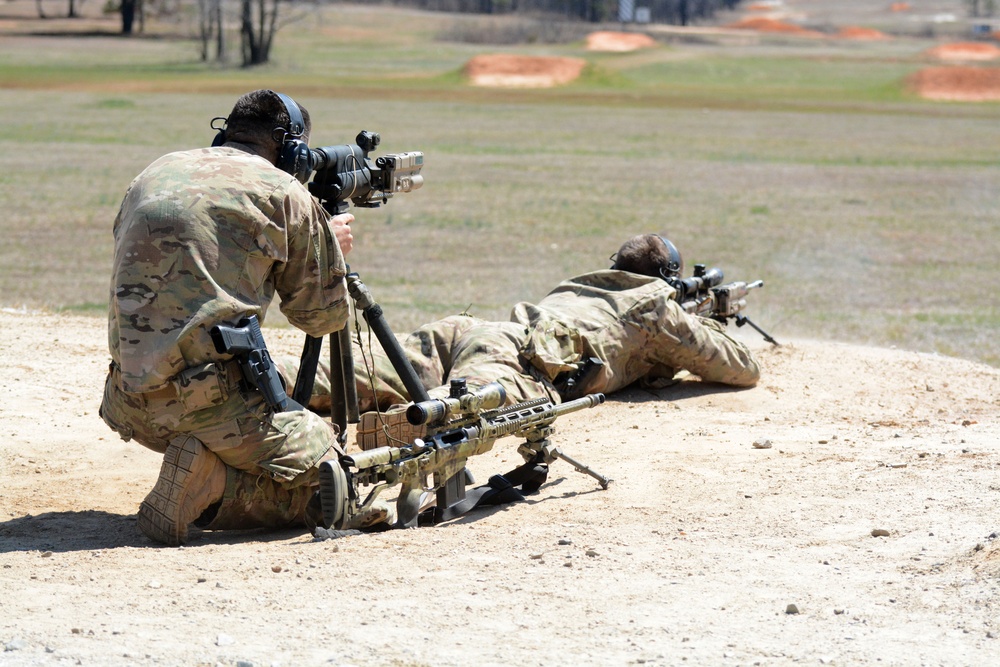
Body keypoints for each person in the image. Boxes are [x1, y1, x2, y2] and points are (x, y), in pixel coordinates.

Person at [98, 89, 377, 547]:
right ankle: (211, 487)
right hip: (208, 406)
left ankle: (203, 464)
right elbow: (320, 319)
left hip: (128, 401)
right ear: (292, 149)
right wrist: (328, 246)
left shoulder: (154, 171)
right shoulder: (283, 192)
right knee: (342, 482)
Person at [280, 233, 761, 450]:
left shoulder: (581, 285)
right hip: (520, 360)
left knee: (353, 373)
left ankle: (258, 380)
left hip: (472, 332)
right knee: (454, 412)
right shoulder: (656, 305)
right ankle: (385, 434)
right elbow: (739, 367)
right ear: (664, 280)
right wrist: (702, 320)